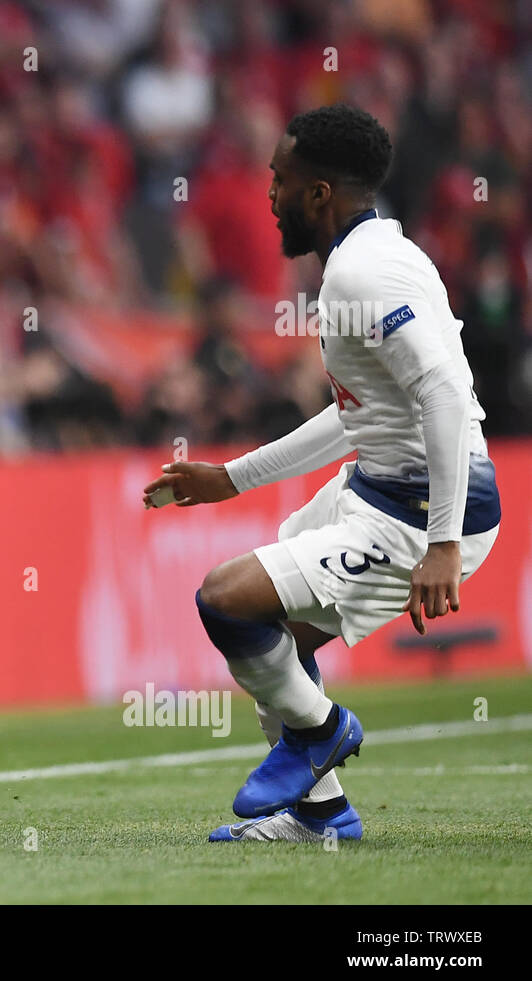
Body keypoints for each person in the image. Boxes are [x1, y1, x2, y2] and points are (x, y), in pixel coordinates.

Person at [143, 104, 500, 842]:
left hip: (422, 510)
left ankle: (324, 730)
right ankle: (322, 813)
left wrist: (441, 543)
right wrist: (232, 477)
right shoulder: (376, 257)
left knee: (227, 600)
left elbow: (441, 392)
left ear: (318, 194)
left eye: (279, 179)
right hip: (380, 485)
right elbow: (359, 415)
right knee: (279, 638)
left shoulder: (362, 275)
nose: (268, 194)